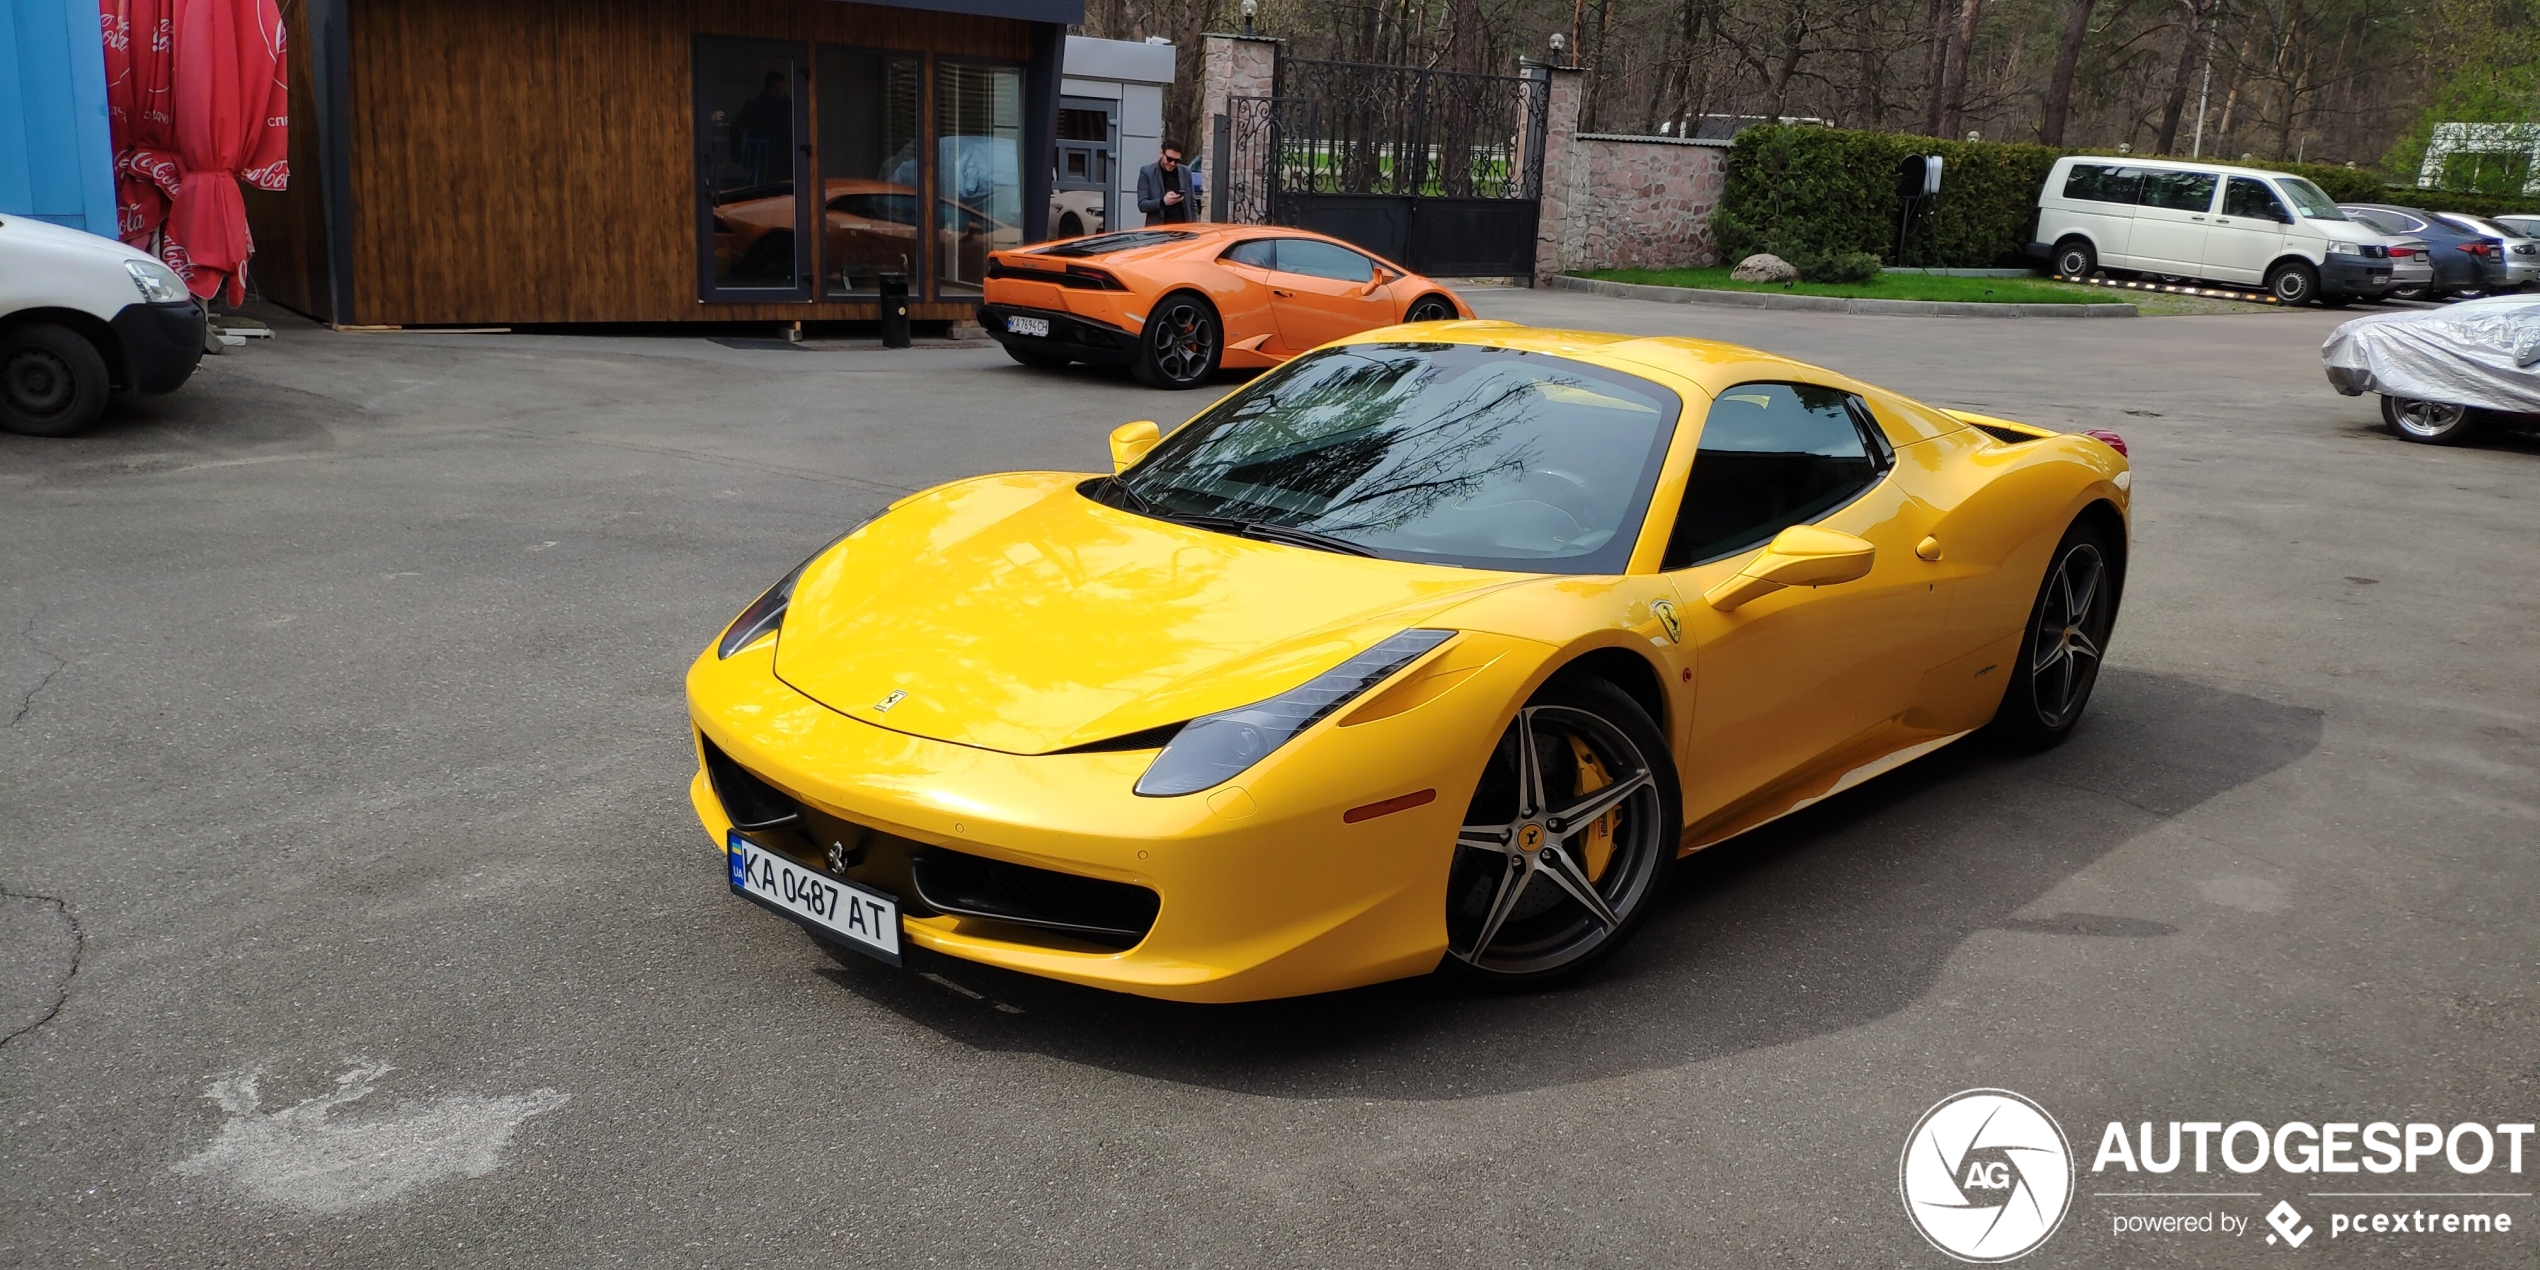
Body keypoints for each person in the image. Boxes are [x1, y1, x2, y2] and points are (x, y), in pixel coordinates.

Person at [1136, 142, 1198, 225]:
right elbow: (1142, 205)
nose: (1172, 163)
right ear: (1161, 153)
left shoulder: (1185, 172)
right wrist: (1162, 202)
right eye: (1169, 159)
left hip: (1183, 230)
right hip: (1158, 231)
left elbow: (1192, 204)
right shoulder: (1147, 172)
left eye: (1176, 161)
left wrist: (1193, 226)